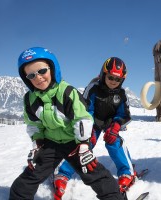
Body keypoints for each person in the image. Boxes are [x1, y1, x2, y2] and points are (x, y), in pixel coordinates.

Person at [9, 47, 123, 200]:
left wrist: (83, 145)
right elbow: (34, 123)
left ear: (53, 68)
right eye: (31, 75)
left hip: (74, 143)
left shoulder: (67, 92)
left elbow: (82, 118)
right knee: (28, 178)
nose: (38, 77)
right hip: (50, 144)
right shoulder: (30, 99)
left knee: (93, 173)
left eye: (42, 71)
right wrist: (37, 144)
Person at [53, 57, 136, 198]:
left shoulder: (121, 94)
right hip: (93, 122)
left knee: (114, 142)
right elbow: (84, 110)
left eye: (118, 80)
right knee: (84, 144)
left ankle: (127, 173)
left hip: (111, 123)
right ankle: (62, 173)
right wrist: (88, 128)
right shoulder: (93, 88)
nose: (113, 82)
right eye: (110, 77)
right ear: (103, 74)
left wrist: (116, 126)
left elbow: (125, 115)